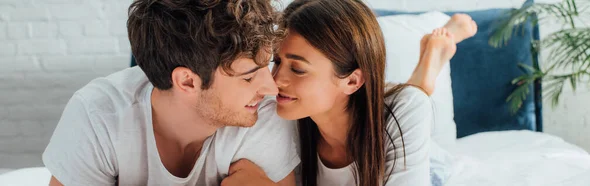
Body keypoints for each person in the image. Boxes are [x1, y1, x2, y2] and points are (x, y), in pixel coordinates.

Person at [42, 0, 300, 185]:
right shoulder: (98, 116)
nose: (271, 88)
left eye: (266, 67)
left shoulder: (263, 114)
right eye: (249, 77)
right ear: (187, 81)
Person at [266, 0, 476, 185]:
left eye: (298, 69)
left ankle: (432, 56)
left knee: (411, 99)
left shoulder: (405, 109)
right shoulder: (287, 114)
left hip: (431, 171)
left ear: (352, 81)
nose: (274, 80)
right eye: (276, 61)